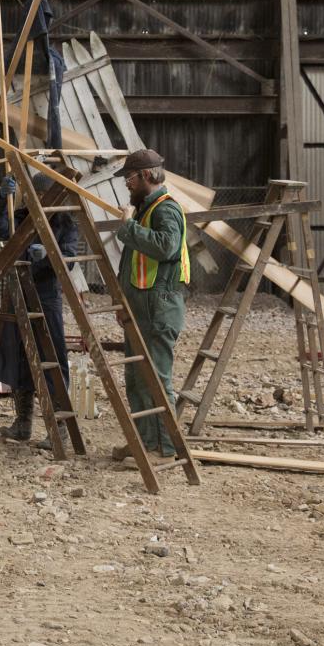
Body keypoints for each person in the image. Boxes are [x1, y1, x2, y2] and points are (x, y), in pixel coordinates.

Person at [0, 172, 78, 445]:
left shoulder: (64, 223)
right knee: (18, 357)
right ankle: (23, 422)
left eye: (43, 194)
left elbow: (69, 260)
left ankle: (59, 429)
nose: (39, 199)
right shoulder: (22, 215)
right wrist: (2, 198)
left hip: (45, 295)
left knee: (51, 359)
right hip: (18, 293)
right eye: (35, 194)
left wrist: (49, 254)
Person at [112, 148, 188, 459]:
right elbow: (133, 263)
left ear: (145, 176)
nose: (126, 184)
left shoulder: (164, 209)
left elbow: (167, 246)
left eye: (129, 178)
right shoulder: (147, 208)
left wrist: (129, 227)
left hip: (159, 307)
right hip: (142, 306)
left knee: (156, 380)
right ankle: (144, 443)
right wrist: (122, 299)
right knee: (138, 380)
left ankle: (166, 447)